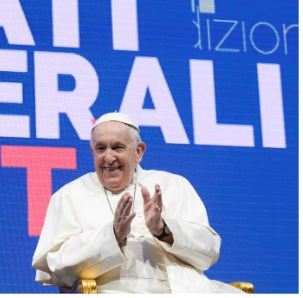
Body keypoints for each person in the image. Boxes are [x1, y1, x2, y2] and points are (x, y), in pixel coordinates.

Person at [31, 112, 244, 293]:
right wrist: (112, 235)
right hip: (112, 290)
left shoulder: (174, 184)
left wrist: (163, 230)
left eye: (117, 147)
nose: (108, 157)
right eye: (100, 148)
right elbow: (57, 264)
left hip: (184, 288)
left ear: (139, 151)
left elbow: (209, 250)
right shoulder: (69, 195)